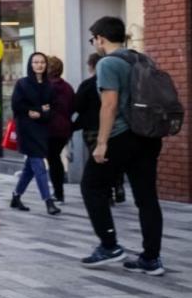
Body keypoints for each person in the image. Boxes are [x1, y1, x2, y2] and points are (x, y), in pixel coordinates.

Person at [79, 16, 166, 275]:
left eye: (93, 39)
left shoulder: (108, 63)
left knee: (91, 185)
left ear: (101, 38)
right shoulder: (142, 59)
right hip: (149, 137)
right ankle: (151, 258)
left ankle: (109, 245)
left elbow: (109, 104)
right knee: (147, 198)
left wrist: (101, 143)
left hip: (121, 136)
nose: (94, 43)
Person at [9, 52, 62, 216]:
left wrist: (39, 112)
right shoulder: (22, 84)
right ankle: (48, 201)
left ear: (46, 65)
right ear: (30, 65)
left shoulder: (49, 86)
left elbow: (52, 108)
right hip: (26, 129)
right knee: (39, 164)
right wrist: (36, 110)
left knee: (29, 169)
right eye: (35, 62)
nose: (39, 65)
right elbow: (17, 105)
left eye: (42, 62)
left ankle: (16, 196)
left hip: (41, 129)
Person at [73, 54, 126, 204]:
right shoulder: (116, 82)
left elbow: (77, 106)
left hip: (92, 128)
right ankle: (118, 185)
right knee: (115, 158)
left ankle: (107, 194)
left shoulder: (88, 84)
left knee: (99, 161)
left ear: (91, 66)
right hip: (115, 126)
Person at [45, 56, 76, 203]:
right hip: (65, 128)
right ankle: (58, 192)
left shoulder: (47, 87)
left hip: (50, 128)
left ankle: (58, 193)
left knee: (52, 159)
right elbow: (73, 106)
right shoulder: (68, 87)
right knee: (54, 157)